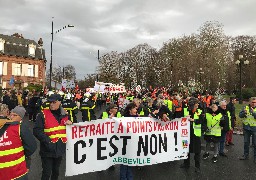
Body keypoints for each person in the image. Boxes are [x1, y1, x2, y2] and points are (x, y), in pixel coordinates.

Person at [33, 94, 72, 180]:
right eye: (50, 102)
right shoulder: (42, 114)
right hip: (47, 149)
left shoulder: (65, 114)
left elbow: (72, 129)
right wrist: (48, 141)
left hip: (60, 148)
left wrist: (71, 124)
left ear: (59, 102)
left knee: (56, 171)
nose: (51, 104)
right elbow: (36, 130)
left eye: (54, 102)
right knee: (46, 173)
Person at [0, 104, 37, 180]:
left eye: (15, 115)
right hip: (17, 172)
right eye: (11, 114)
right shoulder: (18, 127)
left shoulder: (19, 127)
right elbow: (31, 147)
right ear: (7, 113)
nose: (11, 117)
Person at [180, 97, 203, 173]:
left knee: (197, 151)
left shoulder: (200, 111)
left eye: (197, 105)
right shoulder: (185, 110)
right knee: (186, 149)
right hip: (186, 134)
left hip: (196, 134)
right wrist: (184, 118)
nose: (197, 106)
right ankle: (186, 164)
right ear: (191, 105)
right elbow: (178, 118)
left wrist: (194, 120)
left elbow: (202, 121)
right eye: (195, 105)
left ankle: (197, 167)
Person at [119, 103, 138, 180]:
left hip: (133, 143)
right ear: (130, 110)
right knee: (124, 162)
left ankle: (130, 178)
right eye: (135, 109)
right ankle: (123, 178)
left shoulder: (138, 118)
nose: (136, 110)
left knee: (130, 162)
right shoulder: (124, 118)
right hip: (125, 142)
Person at [239, 97, 256, 163]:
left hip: (254, 128)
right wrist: (244, 113)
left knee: (255, 143)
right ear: (249, 102)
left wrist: (253, 112)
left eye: (255, 102)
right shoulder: (245, 107)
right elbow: (240, 115)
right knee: (246, 142)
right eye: (252, 102)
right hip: (246, 128)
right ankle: (245, 155)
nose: (254, 104)